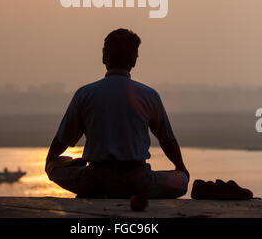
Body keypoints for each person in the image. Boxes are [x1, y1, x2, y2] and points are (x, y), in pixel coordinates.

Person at [45, 28, 189, 198]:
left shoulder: (85, 94)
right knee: (181, 180)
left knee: (54, 166)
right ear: (134, 60)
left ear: (104, 57)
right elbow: (167, 140)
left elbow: (63, 139)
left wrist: (50, 161)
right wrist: (181, 168)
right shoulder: (149, 95)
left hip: (95, 181)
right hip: (138, 182)